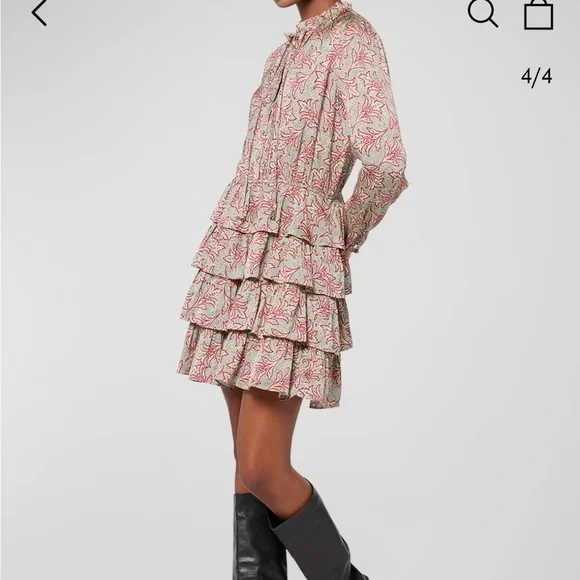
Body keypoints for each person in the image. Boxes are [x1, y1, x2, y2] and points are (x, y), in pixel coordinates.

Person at [176, 0, 408, 577]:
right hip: (241, 256)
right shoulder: (285, 50)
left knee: (261, 466)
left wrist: (334, 238)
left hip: (292, 266)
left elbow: (386, 164)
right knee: (245, 462)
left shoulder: (353, 40)